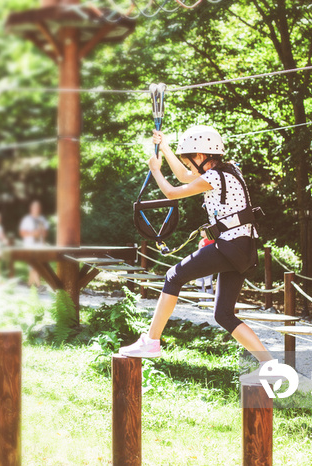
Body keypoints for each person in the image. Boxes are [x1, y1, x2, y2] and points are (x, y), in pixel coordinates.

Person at [119, 125, 278, 384]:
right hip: (243, 248)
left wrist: (156, 170)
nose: (189, 167)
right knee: (223, 315)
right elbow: (184, 177)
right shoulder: (228, 170)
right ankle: (269, 365)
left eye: (190, 160)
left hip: (231, 245)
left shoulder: (214, 176)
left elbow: (172, 191)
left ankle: (151, 341)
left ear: (202, 156)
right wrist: (167, 147)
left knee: (173, 276)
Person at [19, 201, 49, 287]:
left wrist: (42, 234)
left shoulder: (42, 219)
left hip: (39, 246)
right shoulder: (26, 219)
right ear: (31, 209)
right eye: (34, 207)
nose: (36, 209)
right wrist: (33, 233)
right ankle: (39, 286)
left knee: (37, 265)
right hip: (29, 246)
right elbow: (22, 233)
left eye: (38, 207)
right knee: (34, 265)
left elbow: (45, 233)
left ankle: (29, 284)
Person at [195, 230, 215, 295]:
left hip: (208, 265)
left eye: (202, 231)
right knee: (199, 284)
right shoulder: (201, 241)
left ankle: (209, 303)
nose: (201, 232)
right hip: (199, 265)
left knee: (208, 284)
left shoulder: (211, 240)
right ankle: (201, 302)